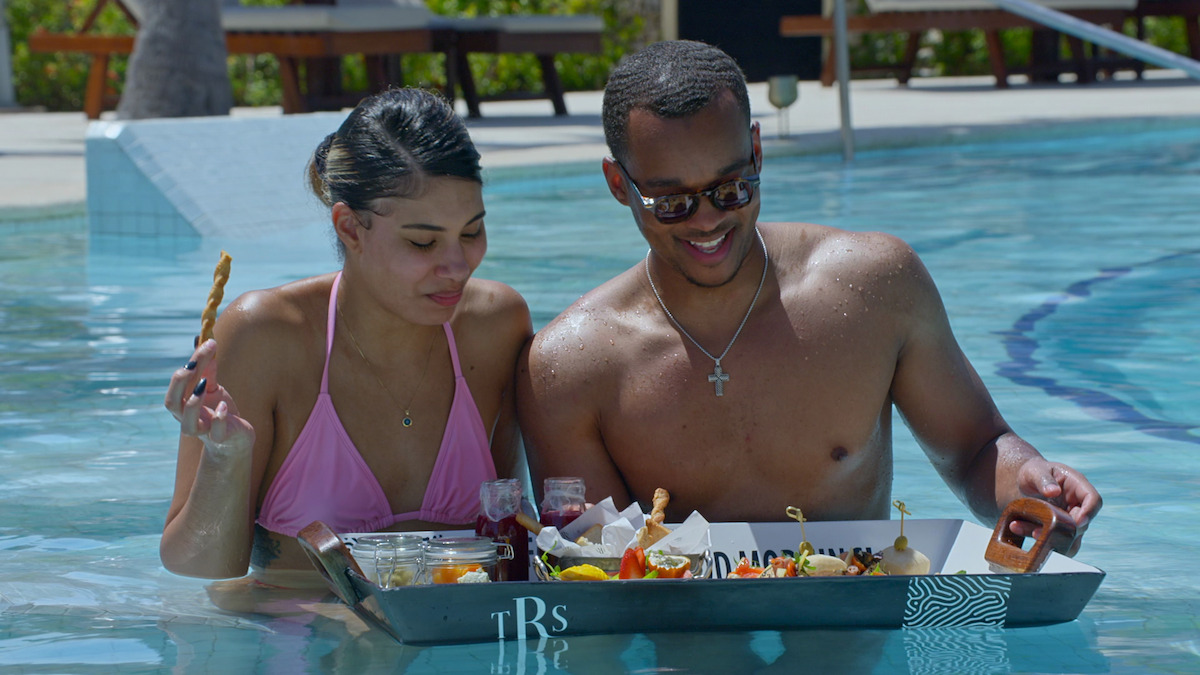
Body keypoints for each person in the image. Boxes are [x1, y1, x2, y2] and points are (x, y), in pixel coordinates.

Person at [516, 41, 1101, 554]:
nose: (708, 222)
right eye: (672, 202)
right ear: (620, 185)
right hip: (687, 634)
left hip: (850, 624)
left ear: (758, 152)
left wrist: (1029, 482)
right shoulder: (573, 367)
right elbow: (602, 570)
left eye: (731, 188)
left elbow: (974, 448)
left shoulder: (873, 287)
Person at [162, 87, 532, 584]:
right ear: (350, 228)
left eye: (471, 232)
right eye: (423, 241)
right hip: (301, 638)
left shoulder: (496, 327)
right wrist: (226, 460)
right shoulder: (267, 335)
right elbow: (202, 567)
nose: (457, 266)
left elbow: (518, 541)